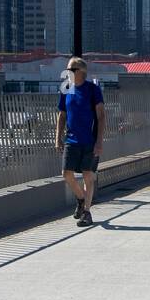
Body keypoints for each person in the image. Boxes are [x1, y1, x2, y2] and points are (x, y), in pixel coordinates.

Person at [55, 56, 105, 227]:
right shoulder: (66, 88)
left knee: (87, 176)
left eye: (71, 69)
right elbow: (61, 115)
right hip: (71, 140)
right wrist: (58, 138)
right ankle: (81, 200)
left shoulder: (93, 90)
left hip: (89, 140)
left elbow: (101, 116)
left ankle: (87, 212)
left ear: (81, 72)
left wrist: (99, 142)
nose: (68, 72)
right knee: (66, 174)